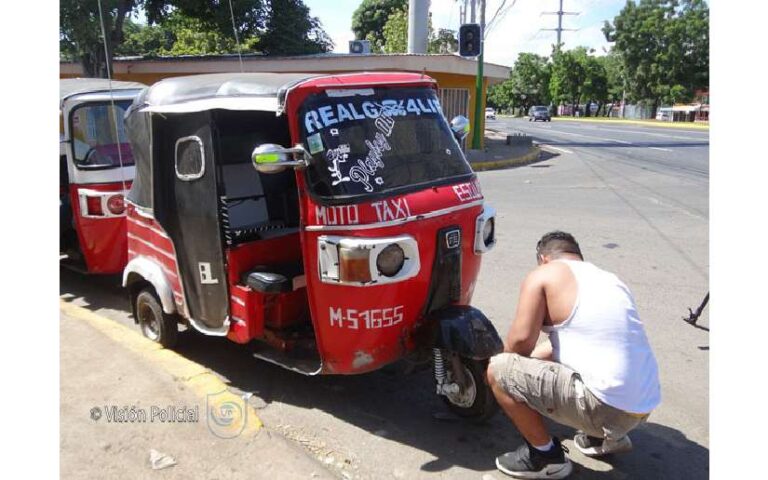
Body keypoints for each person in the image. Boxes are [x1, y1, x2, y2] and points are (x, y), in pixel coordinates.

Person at [487, 231, 661, 479]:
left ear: (544, 258)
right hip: (644, 403)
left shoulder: (544, 273)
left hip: (606, 408)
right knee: (590, 365)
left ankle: (545, 457)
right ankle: (604, 438)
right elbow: (565, 344)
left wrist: (499, 381)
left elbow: (520, 342)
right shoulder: (608, 278)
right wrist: (532, 366)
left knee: (499, 368)